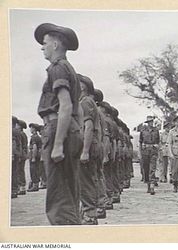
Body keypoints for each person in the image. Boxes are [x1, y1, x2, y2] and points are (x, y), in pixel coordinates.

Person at [35, 23, 83, 225]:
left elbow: (64, 106)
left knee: (58, 196)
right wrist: (75, 133)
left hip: (57, 128)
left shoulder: (58, 68)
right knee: (69, 190)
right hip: (68, 128)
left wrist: (58, 144)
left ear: (55, 44)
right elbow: (77, 109)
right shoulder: (69, 68)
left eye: (44, 43)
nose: (42, 47)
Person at [78, 74, 102, 225]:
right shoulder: (86, 101)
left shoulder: (85, 102)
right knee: (88, 179)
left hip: (88, 146)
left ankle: (89, 215)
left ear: (83, 86)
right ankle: (88, 211)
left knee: (85, 180)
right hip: (91, 145)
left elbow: (88, 127)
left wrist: (85, 150)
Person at [139, 115, 160, 195]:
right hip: (145, 151)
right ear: (147, 123)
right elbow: (140, 142)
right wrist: (140, 153)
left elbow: (158, 141)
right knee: (146, 168)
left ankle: (152, 186)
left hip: (153, 151)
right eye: (149, 122)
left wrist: (157, 146)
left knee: (152, 168)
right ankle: (148, 184)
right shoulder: (143, 131)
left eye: (152, 122)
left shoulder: (156, 131)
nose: (151, 123)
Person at [28, 123, 42, 192]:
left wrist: (33, 157)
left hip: (34, 156)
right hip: (37, 156)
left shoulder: (34, 137)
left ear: (34, 129)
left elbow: (34, 147)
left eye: (31, 128)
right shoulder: (37, 137)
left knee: (33, 170)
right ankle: (35, 185)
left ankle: (35, 186)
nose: (30, 129)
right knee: (36, 170)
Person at [16, 119, 28, 195]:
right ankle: (22, 187)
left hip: (21, 154)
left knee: (19, 170)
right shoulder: (23, 134)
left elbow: (20, 145)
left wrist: (19, 155)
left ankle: (21, 187)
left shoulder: (20, 134)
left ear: (20, 126)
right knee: (21, 170)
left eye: (17, 125)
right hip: (23, 153)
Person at [11, 116, 21, 198]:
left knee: (12, 172)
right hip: (17, 153)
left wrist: (12, 154)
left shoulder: (11, 130)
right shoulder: (17, 131)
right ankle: (15, 190)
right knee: (15, 172)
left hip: (13, 153)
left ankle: (13, 191)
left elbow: (13, 143)